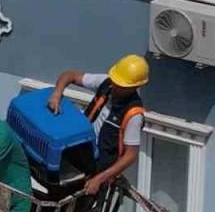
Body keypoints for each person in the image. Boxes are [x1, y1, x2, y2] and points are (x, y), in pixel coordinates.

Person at [46, 54, 149, 195]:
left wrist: (100, 179)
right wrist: (57, 93)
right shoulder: (106, 83)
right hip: (78, 150)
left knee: (78, 208)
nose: (116, 86)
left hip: (97, 168)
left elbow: (130, 155)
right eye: (115, 81)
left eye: (121, 85)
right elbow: (69, 75)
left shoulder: (133, 114)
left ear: (135, 87)